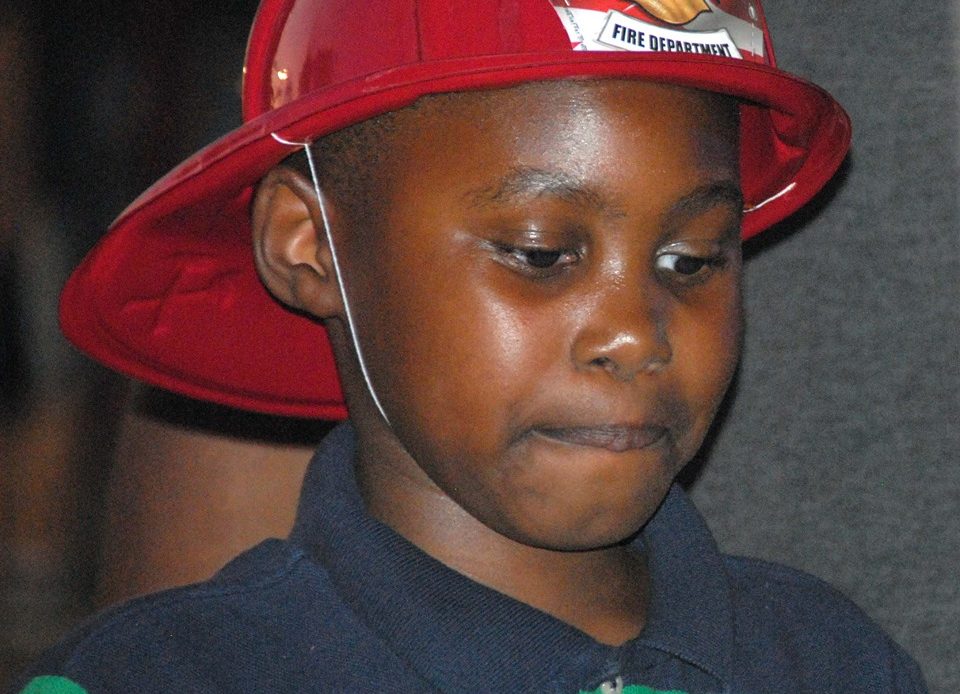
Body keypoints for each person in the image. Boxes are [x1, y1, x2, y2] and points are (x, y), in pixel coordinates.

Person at [13, 0, 928, 691]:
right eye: (541, 253)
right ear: (311, 244)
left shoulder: (835, 662)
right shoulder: (160, 677)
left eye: (691, 261)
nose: (633, 334)